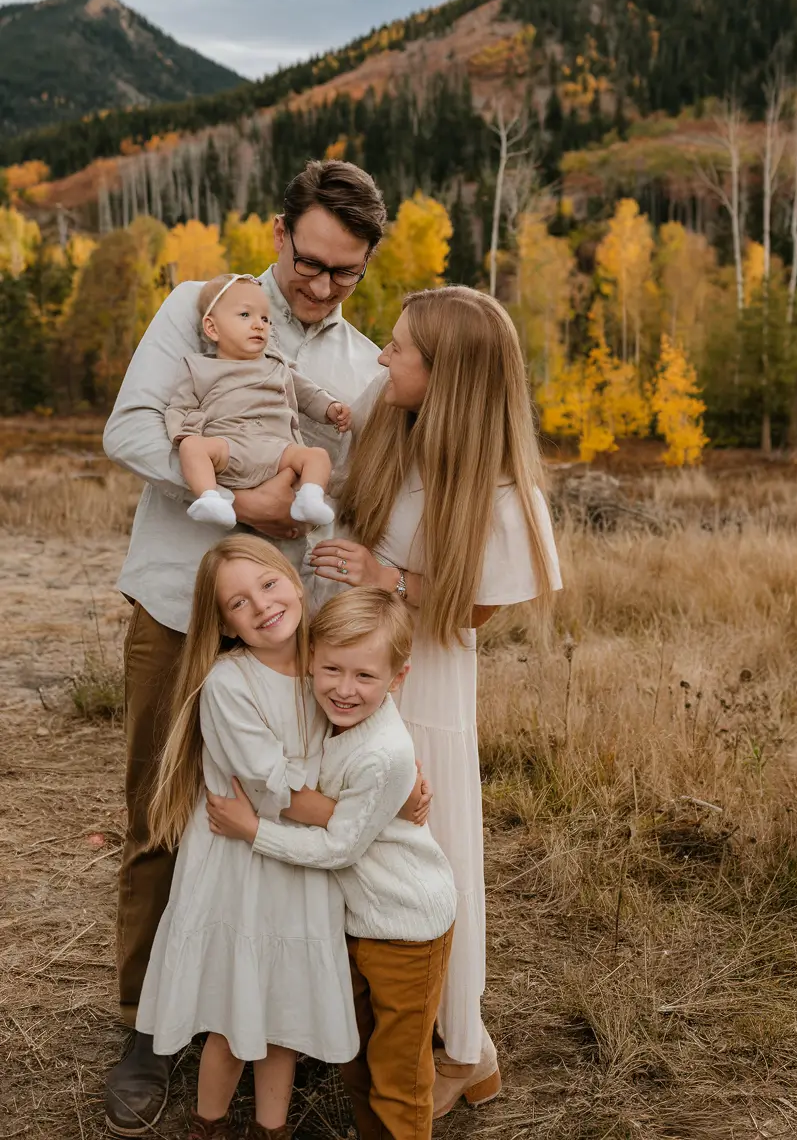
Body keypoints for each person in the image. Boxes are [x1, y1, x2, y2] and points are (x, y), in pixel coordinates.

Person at [102, 160, 387, 1135]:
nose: (320, 286)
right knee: (159, 811)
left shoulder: (362, 366)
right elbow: (133, 427)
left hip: (284, 638)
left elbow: (349, 497)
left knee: (273, 820)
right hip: (176, 611)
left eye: (344, 273)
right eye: (310, 262)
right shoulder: (198, 306)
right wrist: (237, 502)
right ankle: (146, 1027)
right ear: (278, 234)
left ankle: (272, 1019)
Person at [308, 286, 563, 1118]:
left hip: (429, 673)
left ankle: (462, 1046)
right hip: (356, 659)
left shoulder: (494, 487)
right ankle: (374, 1024)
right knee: (352, 828)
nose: (383, 357)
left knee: (430, 849)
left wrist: (391, 580)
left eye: (400, 348)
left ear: (445, 374)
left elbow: (480, 607)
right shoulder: (393, 413)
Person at [206, 587, 457, 1140]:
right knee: (356, 1057)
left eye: (365, 677)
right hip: (356, 920)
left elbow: (339, 848)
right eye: (331, 670)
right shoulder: (332, 717)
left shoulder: (380, 751)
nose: (344, 689)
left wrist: (254, 831)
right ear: (310, 662)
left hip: (406, 925)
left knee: (399, 1072)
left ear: (398, 679)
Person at [135, 533, 359, 1140]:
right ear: (226, 625)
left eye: (267, 584)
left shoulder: (327, 663)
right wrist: (364, 815)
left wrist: (397, 785)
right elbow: (273, 788)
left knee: (281, 1019)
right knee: (233, 1021)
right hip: (240, 872)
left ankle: (271, 1129)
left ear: (293, 579)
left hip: (297, 866)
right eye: (238, 603)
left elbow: (369, 730)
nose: (261, 606)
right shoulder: (229, 684)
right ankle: (207, 1124)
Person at [166, 272, 352, 530]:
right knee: (191, 448)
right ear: (212, 328)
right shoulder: (197, 367)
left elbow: (306, 392)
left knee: (317, 456)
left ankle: (309, 497)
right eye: (245, 315)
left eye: (265, 318)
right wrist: (185, 434)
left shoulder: (274, 362)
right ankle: (210, 497)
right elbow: (180, 406)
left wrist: (330, 407)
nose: (259, 325)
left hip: (276, 449)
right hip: (230, 446)